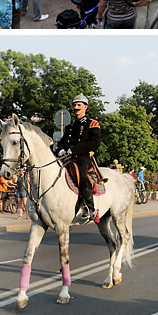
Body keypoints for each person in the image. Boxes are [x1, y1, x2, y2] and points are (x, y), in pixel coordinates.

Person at [57, 94, 101, 223]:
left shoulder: (92, 123)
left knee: (81, 175)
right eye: (74, 105)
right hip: (67, 158)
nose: (76, 108)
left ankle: (89, 207)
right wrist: (60, 149)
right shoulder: (70, 127)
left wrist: (75, 150)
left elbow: (95, 142)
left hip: (83, 157)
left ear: (85, 107)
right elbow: (63, 142)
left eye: (79, 105)